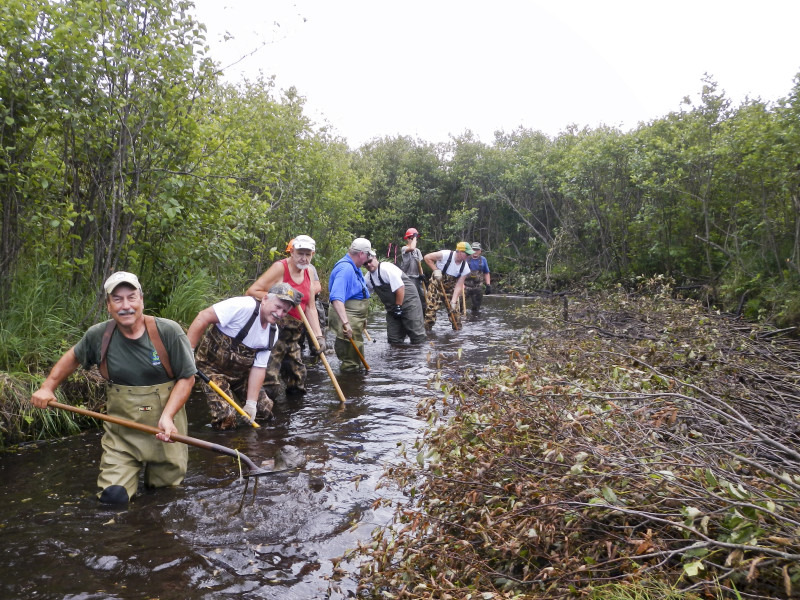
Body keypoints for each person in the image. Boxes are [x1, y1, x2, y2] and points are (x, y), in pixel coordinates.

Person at [30, 272, 197, 504]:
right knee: (113, 499)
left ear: (142, 300)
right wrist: (47, 387)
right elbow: (73, 357)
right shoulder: (99, 335)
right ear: (108, 305)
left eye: (131, 297)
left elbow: (187, 378)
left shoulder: (168, 331)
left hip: (167, 432)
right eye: (117, 299)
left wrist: (168, 417)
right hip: (122, 436)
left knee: (164, 501)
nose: (125, 306)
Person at [187, 283, 301, 430]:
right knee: (226, 418)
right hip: (211, 369)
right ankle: (225, 449)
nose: (279, 314)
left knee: (264, 411)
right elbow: (203, 317)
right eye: (278, 307)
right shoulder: (242, 306)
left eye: (284, 311)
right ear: (265, 299)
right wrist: (189, 351)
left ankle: (254, 446)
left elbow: (259, 368)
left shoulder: (273, 333)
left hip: (241, 375)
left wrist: (251, 404)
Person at [245, 235, 326, 399]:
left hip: (294, 334)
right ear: (292, 252)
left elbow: (310, 307)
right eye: (300, 253)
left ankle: (294, 419)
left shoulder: (309, 271)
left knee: (297, 379)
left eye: (307, 254)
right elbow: (252, 292)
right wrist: (284, 297)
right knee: (270, 382)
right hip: (274, 331)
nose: (303, 258)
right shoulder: (280, 268)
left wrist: (318, 336)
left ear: (313, 254)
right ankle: (266, 414)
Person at [328, 237, 372, 371]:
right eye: (368, 254)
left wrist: (362, 318)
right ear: (361, 254)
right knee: (350, 362)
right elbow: (336, 297)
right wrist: (346, 324)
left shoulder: (354, 267)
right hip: (347, 318)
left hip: (354, 317)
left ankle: (354, 385)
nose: (369, 258)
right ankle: (350, 387)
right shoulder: (345, 269)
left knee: (355, 356)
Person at [363, 250, 427, 344]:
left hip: (408, 301)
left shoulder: (386, 269)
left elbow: (400, 287)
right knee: (394, 340)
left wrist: (398, 307)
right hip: (392, 308)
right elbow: (364, 295)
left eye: (370, 261)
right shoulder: (368, 278)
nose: (368, 265)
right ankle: (397, 357)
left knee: (417, 336)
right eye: (365, 264)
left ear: (375, 258)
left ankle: (420, 357)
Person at [422, 242, 474, 330]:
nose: (469, 256)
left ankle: (456, 339)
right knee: (430, 314)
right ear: (460, 252)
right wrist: (435, 270)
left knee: (456, 317)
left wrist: (453, 302)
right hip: (436, 287)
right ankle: (426, 335)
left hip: (450, 290)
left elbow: (459, 286)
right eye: (467, 254)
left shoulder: (465, 267)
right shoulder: (445, 255)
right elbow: (427, 258)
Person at [399, 227, 426, 313]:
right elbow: (412, 248)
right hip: (408, 278)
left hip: (418, 278)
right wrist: (414, 237)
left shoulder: (417, 251)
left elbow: (419, 264)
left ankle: (424, 316)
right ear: (407, 239)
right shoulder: (404, 249)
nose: (414, 240)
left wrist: (422, 274)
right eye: (411, 238)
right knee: (411, 299)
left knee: (424, 298)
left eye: (414, 239)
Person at [464, 242, 492, 312]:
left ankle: (475, 321)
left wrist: (488, 285)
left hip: (477, 286)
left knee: (476, 308)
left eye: (477, 250)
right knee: (460, 305)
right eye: (473, 249)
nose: (475, 251)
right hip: (465, 286)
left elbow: (486, 273)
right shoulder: (465, 258)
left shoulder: (483, 260)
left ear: (480, 251)